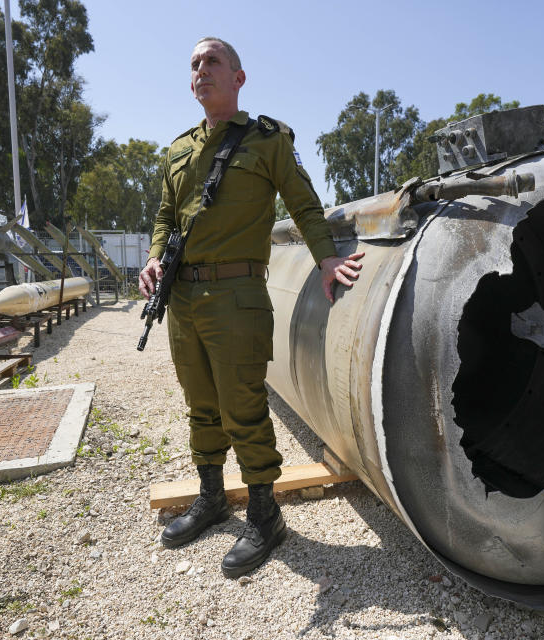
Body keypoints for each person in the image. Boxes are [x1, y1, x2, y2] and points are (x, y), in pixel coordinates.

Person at [139, 37, 364, 578]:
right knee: (200, 403)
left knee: (243, 405)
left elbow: (304, 203)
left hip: (237, 294)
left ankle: (265, 515)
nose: (202, 70)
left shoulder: (267, 141)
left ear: (239, 78)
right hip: (183, 297)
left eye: (212, 61)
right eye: (194, 64)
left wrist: (327, 259)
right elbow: (166, 219)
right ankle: (212, 496)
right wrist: (152, 260)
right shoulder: (176, 152)